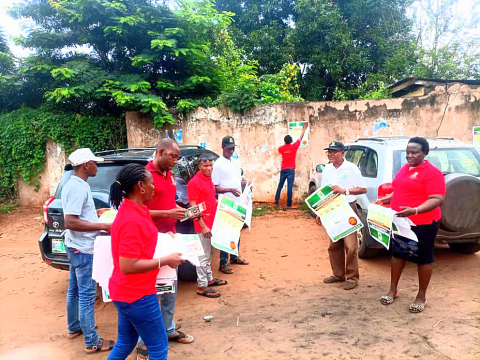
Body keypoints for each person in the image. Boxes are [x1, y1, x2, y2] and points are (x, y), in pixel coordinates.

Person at [107, 163, 185, 360]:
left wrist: (163, 238)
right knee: (158, 348)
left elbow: (143, 238)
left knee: (125, 343)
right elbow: (127, 265)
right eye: (151, 183)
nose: (154, 187)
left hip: (126, 293)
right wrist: (165, 260)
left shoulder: (135, 209)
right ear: (141, 186)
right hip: (137, 295)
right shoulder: (131, 218)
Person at [136, 138, 193, 360]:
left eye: (177, 158)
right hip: (149, 242)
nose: (175, 162)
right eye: (173, 156)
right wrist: (167, 214)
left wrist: (182, 211)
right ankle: (143, 343)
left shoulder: (169, 175)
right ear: (160, 152)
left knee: (170, 288)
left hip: (169, 238)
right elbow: (136, 212)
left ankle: (168, 329)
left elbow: (166, 203)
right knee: (149, 294)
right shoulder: (144, 176)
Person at [375, 137, 445, 313]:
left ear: (425, 153)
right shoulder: (406, 168)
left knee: (423, 258)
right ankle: (393, 290)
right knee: (398, 254)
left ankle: (421, 296)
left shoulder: (432, 173)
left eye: (414, 152)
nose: (409, 155)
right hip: (401, 221)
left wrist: (414, 210)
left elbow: (437, 198)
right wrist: (387, 199)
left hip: (423, 223)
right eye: (407, 152)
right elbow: (400, 189)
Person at [61, 148, 115, 353]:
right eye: (94, 163)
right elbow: (70, 221)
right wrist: (101, 225)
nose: (96, 166)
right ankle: (92, 341)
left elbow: (78, 214)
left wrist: (96, 214)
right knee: (86, 294)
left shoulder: (74, 184)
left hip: (75, 246)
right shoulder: (78, 188)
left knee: (74, 289)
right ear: (85, 165)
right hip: (83, 249)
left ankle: (75, 327)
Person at [315, 141, 367, 290]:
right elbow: (323, 191)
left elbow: (363, 188)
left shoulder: (351, 168)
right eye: (328, 152)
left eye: (333, 151)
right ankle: (338, 274)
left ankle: (352, 277)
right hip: (331, 209)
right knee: (334, 244)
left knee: (350, 246)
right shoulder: (327, 169)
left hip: (347, 208)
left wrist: (345, 191)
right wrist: (320, 212)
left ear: (342, 153)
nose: (330, 154)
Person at [187, 153, 228, 298]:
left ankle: (209, 279)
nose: (209, 168)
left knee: (209, 254)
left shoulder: (208, 180)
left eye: (211, 165)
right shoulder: (194, 183)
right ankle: (202, 286)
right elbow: (193, 208)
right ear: (199, 166)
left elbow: (209, 200)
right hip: (202, 226)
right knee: (202, 257)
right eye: (205, 165)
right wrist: (203, 225)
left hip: (212, 224)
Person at [212, 136, 249, 275]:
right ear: (222, 147)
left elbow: (237, 179)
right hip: (226, 203)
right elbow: (215, 187)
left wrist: (243, 183)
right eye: (229, 148)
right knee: (225, 232)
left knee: (236, 229)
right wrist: (230, 190)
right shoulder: (217, 165)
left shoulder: (235, 162)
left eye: (233, 148)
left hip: (237, 202)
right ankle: (223, 263)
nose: (231, 150)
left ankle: (234, 256)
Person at [275, 122, 309, 209]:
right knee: (289, 187)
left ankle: (276, 202)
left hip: (283, 169)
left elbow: (278, 151)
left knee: (280, 186)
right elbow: (300, 138)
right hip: (291, 170)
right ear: (291, 141)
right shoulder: (294, 146)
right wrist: (304, 128)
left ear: (284, 141)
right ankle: (289, 204)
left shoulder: (281, 148)